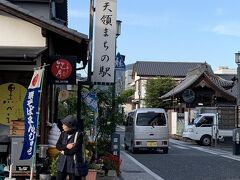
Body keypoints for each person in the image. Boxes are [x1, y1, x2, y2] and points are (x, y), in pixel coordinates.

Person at [56, 115, 83, 180]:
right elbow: (57, 146)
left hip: (73, 165)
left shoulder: (79, 135)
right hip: (62, 164)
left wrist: (64, 152)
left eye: (64, 125)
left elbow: (74, 150)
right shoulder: (63, 133)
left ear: (70, 126)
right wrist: (66, 146)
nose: (62, 126)